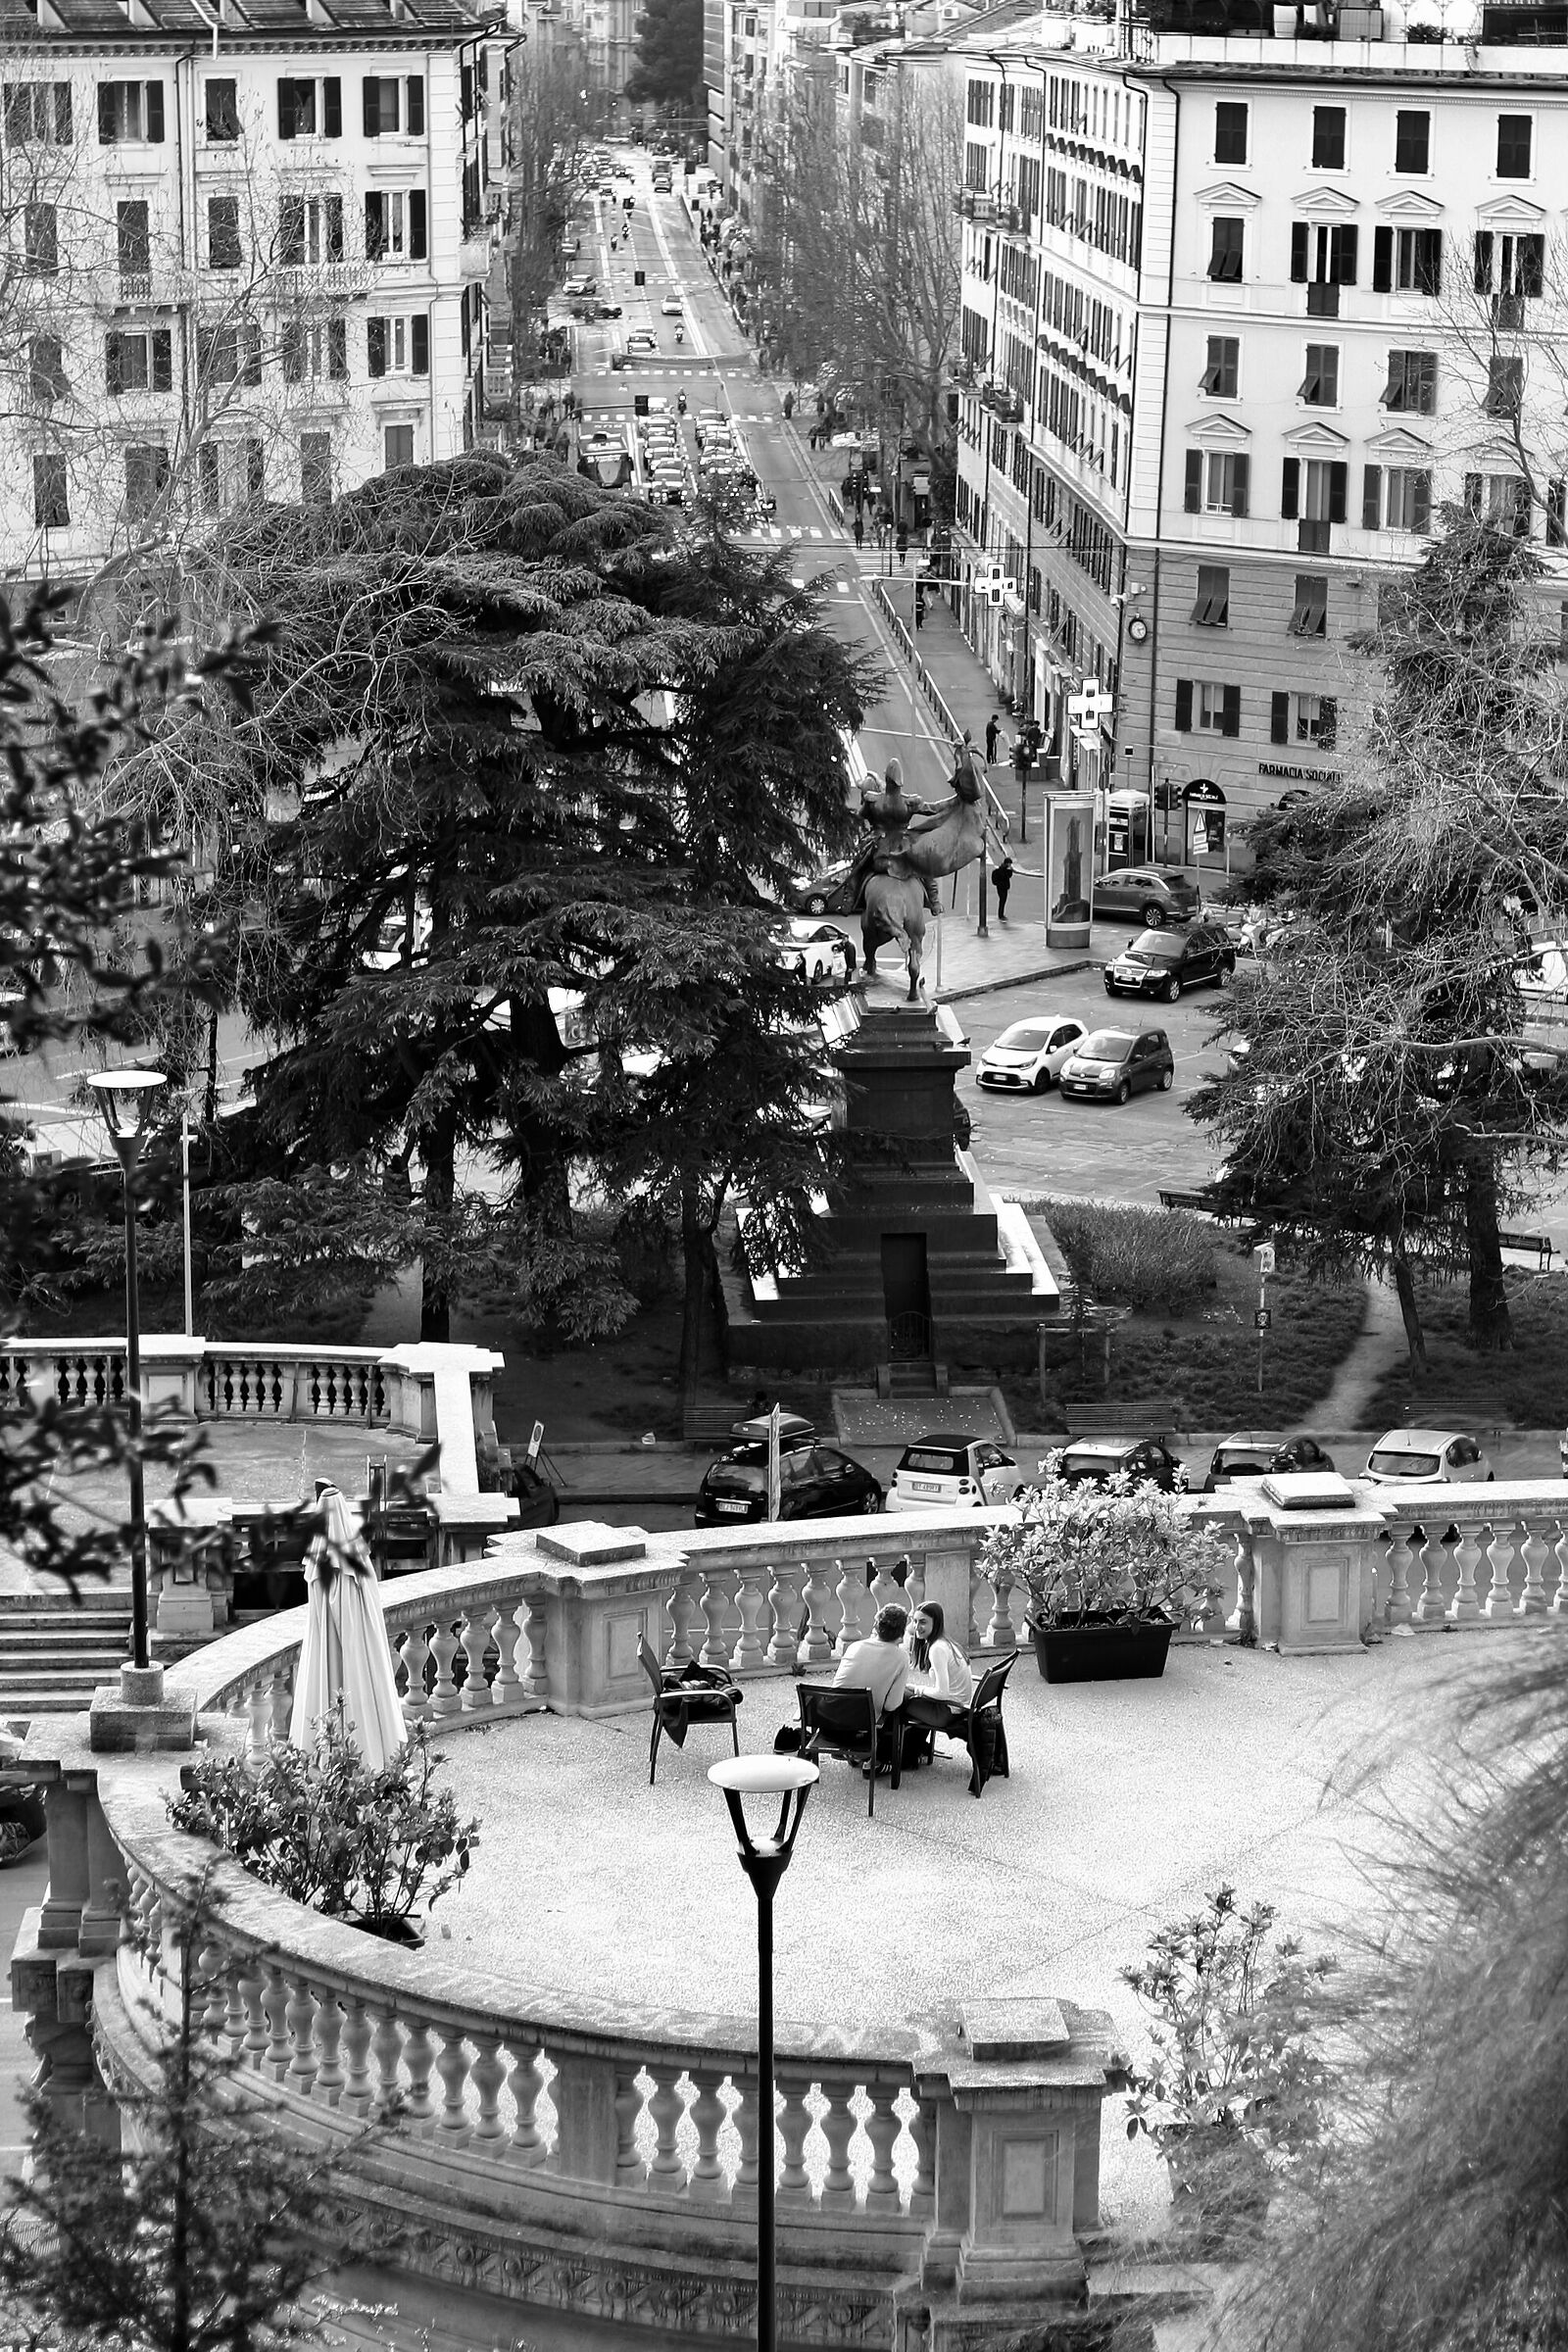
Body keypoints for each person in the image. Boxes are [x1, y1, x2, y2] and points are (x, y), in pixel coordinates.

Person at [832, 1603, 909, 1772]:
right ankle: (880, 1760)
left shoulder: (855, 1647)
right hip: (865, 1722)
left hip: (831, 1718)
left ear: (876, 1626)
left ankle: (855, 1753)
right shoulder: (901, 1657)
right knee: (902, 1705)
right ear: (901, 1633)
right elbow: (892, 1705)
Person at [993, 855, 1014, 920]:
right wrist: (1009, 870)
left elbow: (1009, 876)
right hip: (1002, 887)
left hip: (1003, 887)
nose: (1010, 865)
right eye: (1009, 863)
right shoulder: (1003, 869)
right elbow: (1006, 876)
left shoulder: (1004, 869)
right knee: (1002, 901)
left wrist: (1010, 870)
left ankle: (1001, 914)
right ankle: (1000, 915)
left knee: (1002, 901)